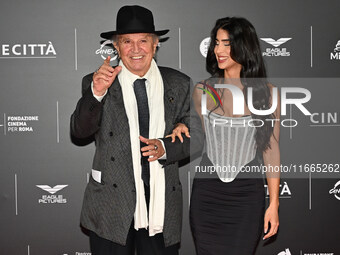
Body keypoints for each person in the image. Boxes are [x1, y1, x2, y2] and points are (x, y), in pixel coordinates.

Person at [70, 5, 203, 255]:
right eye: (127, 42)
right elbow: (79, 131)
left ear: (155, 45)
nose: (135, 49)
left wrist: (165, 146)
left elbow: (197, 138)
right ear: (116, 47)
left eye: (143, 41)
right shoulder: (97, 81)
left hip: (160, 205)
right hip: (111, 202)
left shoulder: (178, 83)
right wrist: (96, 93)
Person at [169, 17, 280, 254]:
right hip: (207, 195)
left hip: (247, 195)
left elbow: (271, 151)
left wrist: (274, 204)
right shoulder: (203, 90)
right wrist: (181, 124)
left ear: (244, 47)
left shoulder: (269, 94)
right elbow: (193, 129)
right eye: (216, 43)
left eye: (226, 44)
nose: (218, 50)